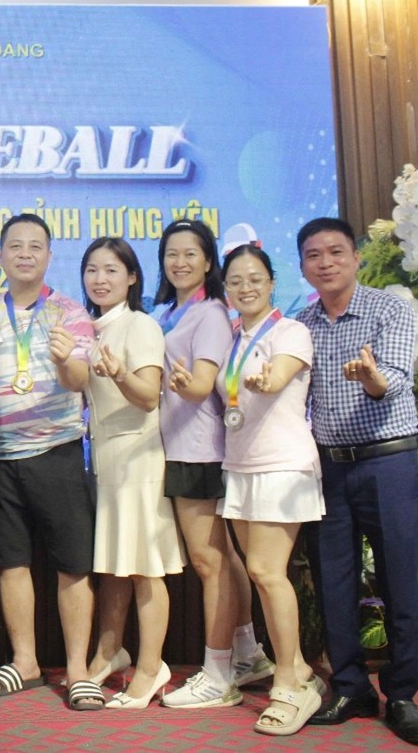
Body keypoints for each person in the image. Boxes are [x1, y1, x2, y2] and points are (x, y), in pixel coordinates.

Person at [297, 217, 418, 747]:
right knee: (333, 581)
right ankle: (350, 687)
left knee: (398, 577)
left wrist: (371, 378)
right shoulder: (301, 323)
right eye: (313, 255)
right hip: (329, 466)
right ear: (303, 266)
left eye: (335, 251)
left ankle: (401, 694)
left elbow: (392, 379)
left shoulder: (389, 308)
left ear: (355, 257)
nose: (325, 262)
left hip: (387, 463)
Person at [0, 214, 102, 710]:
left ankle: (78, 671)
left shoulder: (69, 312)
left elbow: (79, 381)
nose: (25, 254)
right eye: (15, 246)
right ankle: (25, 661)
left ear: (49, 256)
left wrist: (65, 358)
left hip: (58, 451)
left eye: (35, 246)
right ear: (0, 256)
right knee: (12, 562)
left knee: (73, 565)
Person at [153, 220, 269, 709]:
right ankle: (248, 653)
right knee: (222, 557)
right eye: (171, 253)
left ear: (208, 262)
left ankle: (218, 673)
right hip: (176, 447)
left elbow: (202, 385)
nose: (180, 262)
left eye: (190, 254)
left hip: (200, 449)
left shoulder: (213, 313)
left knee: (208, 561)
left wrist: (183, 385)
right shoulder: (166, 312)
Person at [216, 244, 324, 736]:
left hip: (282, 465)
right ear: (226, 289)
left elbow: (278, 375)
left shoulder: (290, 331)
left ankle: (288, 681)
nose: (246, 288)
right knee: (259, 574)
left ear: (272, 282)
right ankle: (297, 665)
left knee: (266, 570)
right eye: (236, 281)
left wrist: (267, 379)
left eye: (255, 278)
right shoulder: (234, 338)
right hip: (241, 464)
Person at [80, 237, 184, 710]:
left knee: (145, 568)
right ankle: (109, 653)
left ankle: (150, 667)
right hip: (107, 460)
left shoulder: (140, 325)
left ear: (132, 277)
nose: (100, 279)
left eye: (111, 270)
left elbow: (147, 397)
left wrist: (120, 373)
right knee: (116, 565)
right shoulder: (90, 330)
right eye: (92, 270)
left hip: (139, 460)